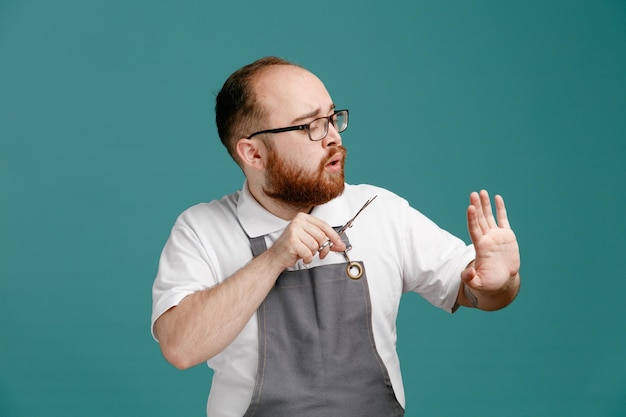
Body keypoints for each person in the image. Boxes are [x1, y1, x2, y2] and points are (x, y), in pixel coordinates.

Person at [151, 56, 521, 417]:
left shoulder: (380, 210)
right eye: (309, 126)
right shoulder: (201, 229)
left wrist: (499, 283)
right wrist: (274, 258)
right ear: (253, 154)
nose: (331, 138)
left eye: (331, 118)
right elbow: (180, 347)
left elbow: (476, 291)